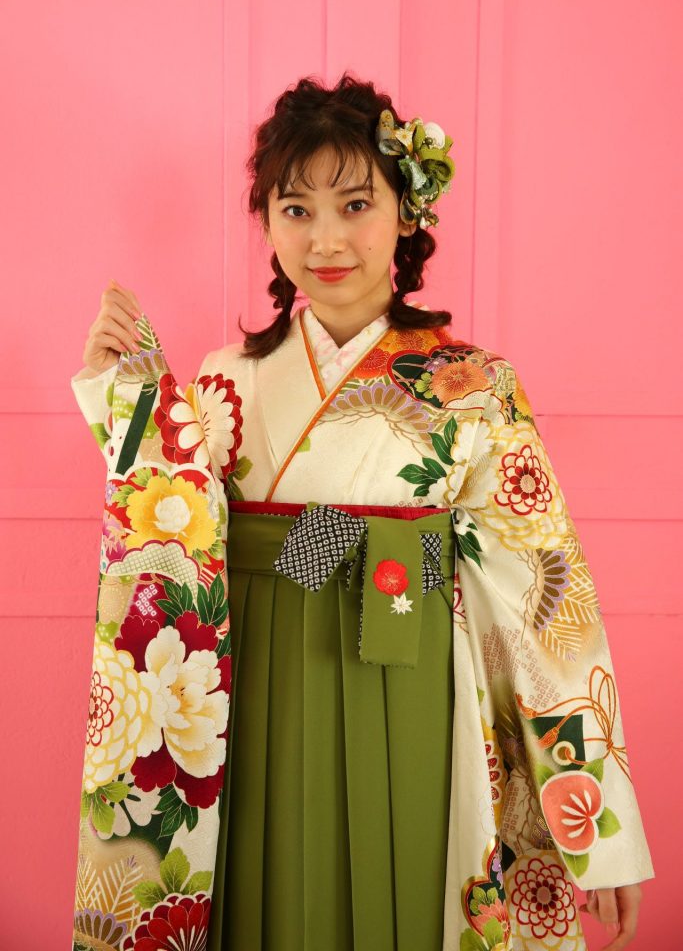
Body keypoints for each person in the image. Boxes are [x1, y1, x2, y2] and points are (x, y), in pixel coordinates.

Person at [70, 73, 653, 951]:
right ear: (266, 223)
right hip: (257, 679)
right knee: (265, 894)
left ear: (406, 214)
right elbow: (175, 524)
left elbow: (544, 598)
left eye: (354, 204)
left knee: (408, 891)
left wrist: (596, 831)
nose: (326, 238)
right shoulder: (227, 378)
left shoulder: (475, 386)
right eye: (294, 209)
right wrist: (128, 392)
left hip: (412, 672)